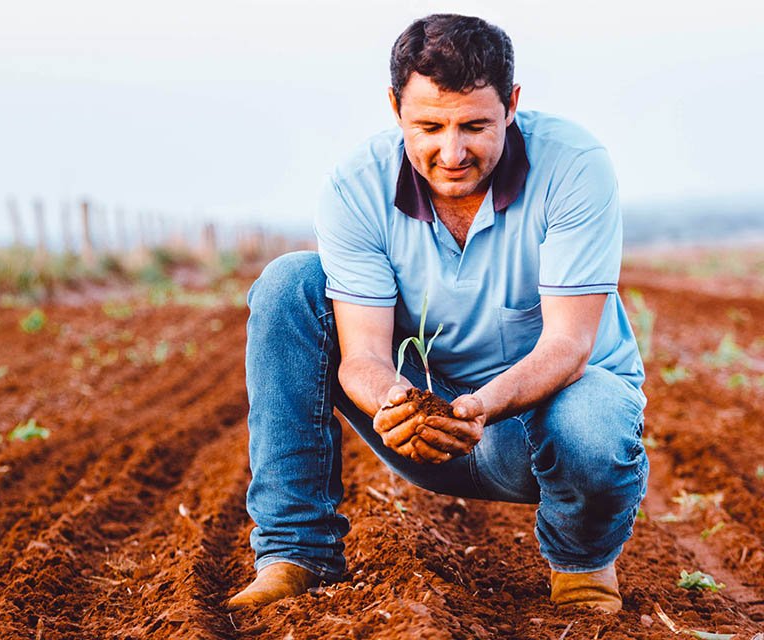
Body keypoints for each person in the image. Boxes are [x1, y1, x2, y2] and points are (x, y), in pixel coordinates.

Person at [228, 13, 647, 614]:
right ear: (395, 108)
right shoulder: (355, 186)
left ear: (512, 105)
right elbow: (363, 356)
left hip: (543, 433)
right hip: (426, 428)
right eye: (428, 126)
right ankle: (296, 553)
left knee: (596, 407)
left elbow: (569, 347)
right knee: (289, 282)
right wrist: (395, 403)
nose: (452, 153)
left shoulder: (574, 166)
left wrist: (480, 407)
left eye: (475, 125)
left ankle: (582, 567)